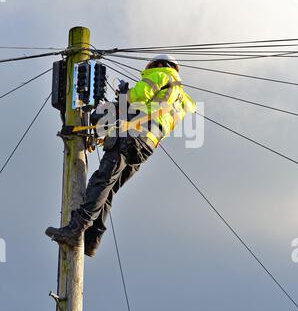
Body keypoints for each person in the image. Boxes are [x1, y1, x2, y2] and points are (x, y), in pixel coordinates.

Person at [45, 54, 196, 257]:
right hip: (147, 146)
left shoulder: (162, 74)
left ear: (160, 65)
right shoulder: (180, 99)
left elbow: (138, 97)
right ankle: (91, 240)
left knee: (102, 181)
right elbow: (148, 110)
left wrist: (125, 93)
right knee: (109, 189)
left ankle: (76, 229)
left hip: (132, 136)